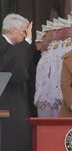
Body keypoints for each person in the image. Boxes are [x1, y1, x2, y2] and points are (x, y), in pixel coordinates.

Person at [0, 13, 33, 151]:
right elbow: (11, 71)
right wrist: (26, 44)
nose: (26, 35)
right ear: (13, 29)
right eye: (24, 31)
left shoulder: (15, 49)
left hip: (15, 99)